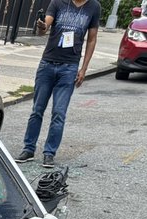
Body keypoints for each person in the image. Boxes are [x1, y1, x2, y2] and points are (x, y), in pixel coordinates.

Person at [15, 0, 101, 168]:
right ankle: (28, 149)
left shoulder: (94, 7)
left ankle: (49, 153)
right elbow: (44, 28)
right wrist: (41, 25)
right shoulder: (58, 2)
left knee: (59, 113)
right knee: (37, 110)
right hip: (47, 63)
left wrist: (84, 69)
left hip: (69, 67)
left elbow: (92, 39)